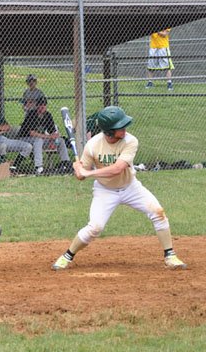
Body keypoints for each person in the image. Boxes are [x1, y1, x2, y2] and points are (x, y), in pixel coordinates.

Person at [52, 106, 187, 272]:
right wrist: (78, 170)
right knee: (95, 227)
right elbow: (81, 176)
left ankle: (170, 255)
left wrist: (88, 172)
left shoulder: (131, 141)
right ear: (109, 131)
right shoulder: (93, 145)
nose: (124, 129)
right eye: (120, 127)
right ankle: (67, 256)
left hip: (131, 187)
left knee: (158, 212)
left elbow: (117, 169)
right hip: (105, 191)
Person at [0, 94, 33, 174]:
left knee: (28, 146)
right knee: (2, 146)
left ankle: (13, 167)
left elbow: (7, 127)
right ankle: (1, 169)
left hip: (3, 138)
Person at [18, 96, 71, 176]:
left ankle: (66, 163)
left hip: (40, 140)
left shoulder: (47, 115)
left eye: (44, 104)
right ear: (37, 106)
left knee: (61, 141)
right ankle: (38, 167)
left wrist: (53, 140)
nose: (42, 106)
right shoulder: (31, 114)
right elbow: (32, 133)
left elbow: (52, 131)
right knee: (38, 140)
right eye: (40, 104)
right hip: (25, 139)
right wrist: (49, 137)